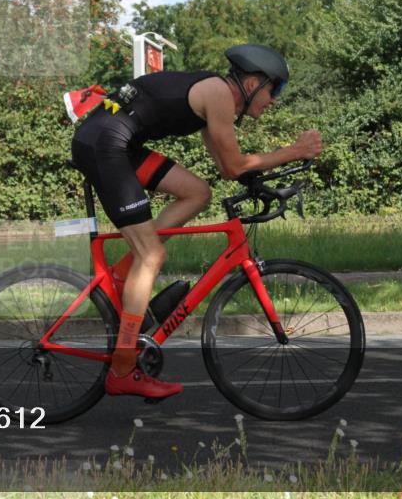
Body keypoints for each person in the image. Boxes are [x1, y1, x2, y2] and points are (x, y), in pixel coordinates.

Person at [71, 44, 323, 398]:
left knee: (197, 192)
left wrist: (265, 177)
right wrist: (294, 151)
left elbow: (226, 169)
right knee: (152, 256)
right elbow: (235, 165)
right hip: (105, 146)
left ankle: (124, 273)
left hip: (116, 143)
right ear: (252, 82)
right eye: (274, 89)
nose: (274, 100)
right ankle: (124, 367)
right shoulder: (219, 93)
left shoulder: (215, 99)